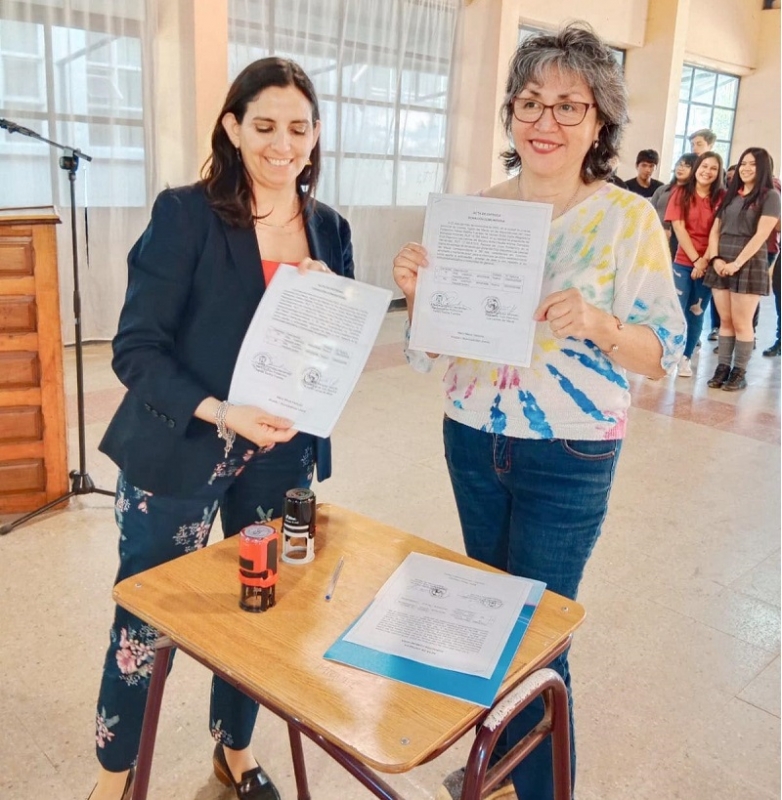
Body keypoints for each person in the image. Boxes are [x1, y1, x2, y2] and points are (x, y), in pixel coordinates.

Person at [392, 24, 685, 800]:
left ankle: (538, 786)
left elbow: (665, 355)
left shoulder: (629, 220)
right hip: (473, 438)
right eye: (530, 102)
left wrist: (597, 323)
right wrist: (422, 299)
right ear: (512, 115)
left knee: (537, 646)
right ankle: (497, 767)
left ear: (600, 123)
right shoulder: (477, 213)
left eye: (568, 105)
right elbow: (434, 355)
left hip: (570, 451)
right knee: (489, 622)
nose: (544, 122)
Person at [88, 57, 354, 800]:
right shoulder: (187, 213)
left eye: (299, 128)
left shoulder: (330, 229)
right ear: (233, 128)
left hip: (281, 454)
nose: (283, 145)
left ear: (316, 134)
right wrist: (222, 410)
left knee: (258, 609)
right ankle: (116, 776)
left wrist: (335, 321)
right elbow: (135, 347)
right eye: (264, 125)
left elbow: (333, 360)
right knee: (147, 613)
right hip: (180, 444)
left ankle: (232, 750)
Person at [704, 147, 781, 390]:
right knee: (725, 321)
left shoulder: (770, 196)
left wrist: (737, 262)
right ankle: (723, 367)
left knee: (742, 322)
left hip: (748, 262)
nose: (747, 168)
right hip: (721, 259)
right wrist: (715, 258)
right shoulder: (730, 195)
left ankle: (739, 372)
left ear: (764, 168)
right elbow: (715, 230)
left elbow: (762, 235)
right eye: (744, 163)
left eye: (753, 164)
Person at [665, 151, 725, 376]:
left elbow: (717, 232)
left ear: (718, 174)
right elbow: (679, 229)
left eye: (713, 168)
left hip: (708, 263)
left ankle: (686, 358)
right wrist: (695, 260)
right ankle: (667, 358)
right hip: (683, 262)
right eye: (704, 166)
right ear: (696, 168)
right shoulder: (681, 192)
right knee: (675, 311)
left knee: (696, 312)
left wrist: (704, 261)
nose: (707, 171)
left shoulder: (721, 197)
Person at [650, 152, 697, 259]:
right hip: (657, 235)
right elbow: (651, 212)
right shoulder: (663, 189)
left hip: (679, 239)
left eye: (687, 166)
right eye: (679, 164)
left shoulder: (694, 193)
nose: (681, 168)